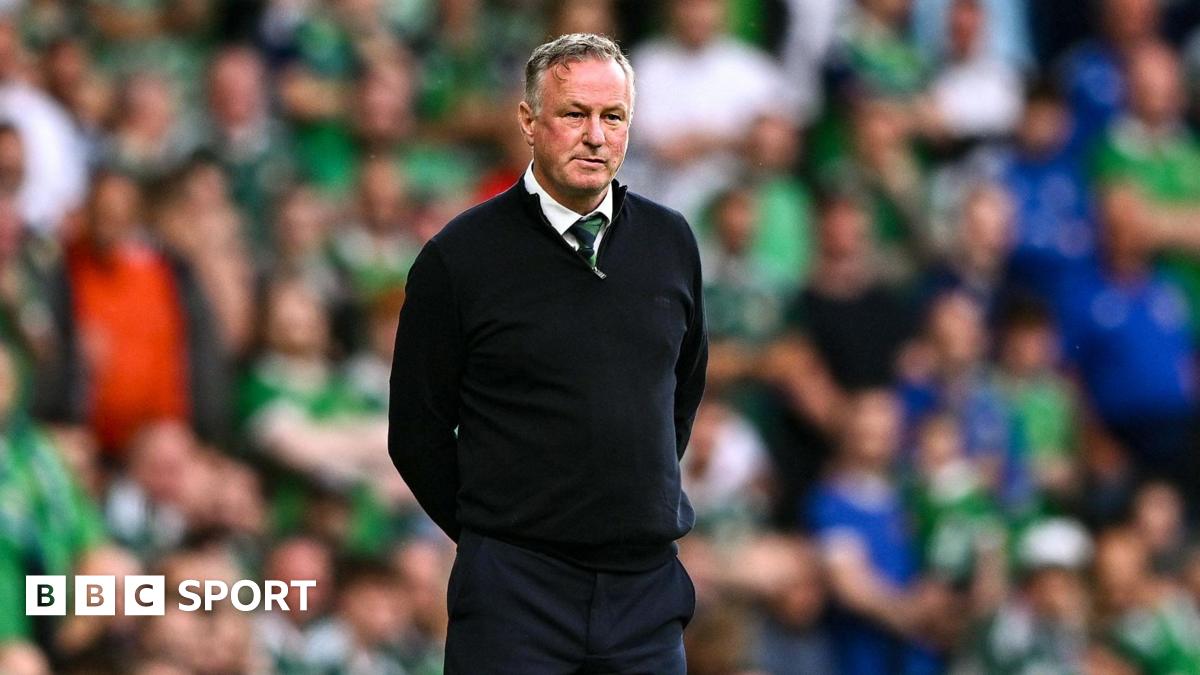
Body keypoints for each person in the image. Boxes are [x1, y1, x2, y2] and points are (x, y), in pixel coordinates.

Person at [388, 33, 708, 674]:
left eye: (612, 117)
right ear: (529, 123)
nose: (595, 135)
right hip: (515, 593)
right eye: (574, 114)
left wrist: (623, 501)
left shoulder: (671, 241)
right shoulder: (460, 258)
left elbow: (680, 393)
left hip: (644, 592)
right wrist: (500, 532)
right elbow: (416, 434)